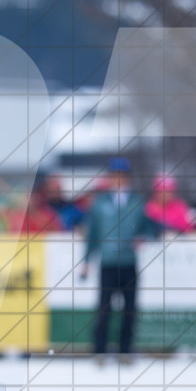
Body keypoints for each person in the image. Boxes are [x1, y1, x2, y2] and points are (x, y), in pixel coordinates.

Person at [80, 156, 155, 365]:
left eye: (122, 176)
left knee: (129, 309)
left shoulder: (137, 202)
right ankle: (100, 351)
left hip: (129, 263)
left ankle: (124, 350)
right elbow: (92, 234)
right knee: (104, 309)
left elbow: (149, 227)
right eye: (115, 176)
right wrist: (86, 261)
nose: (119, 180)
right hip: (108, 263)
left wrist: (144, 237)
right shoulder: (100, 203)